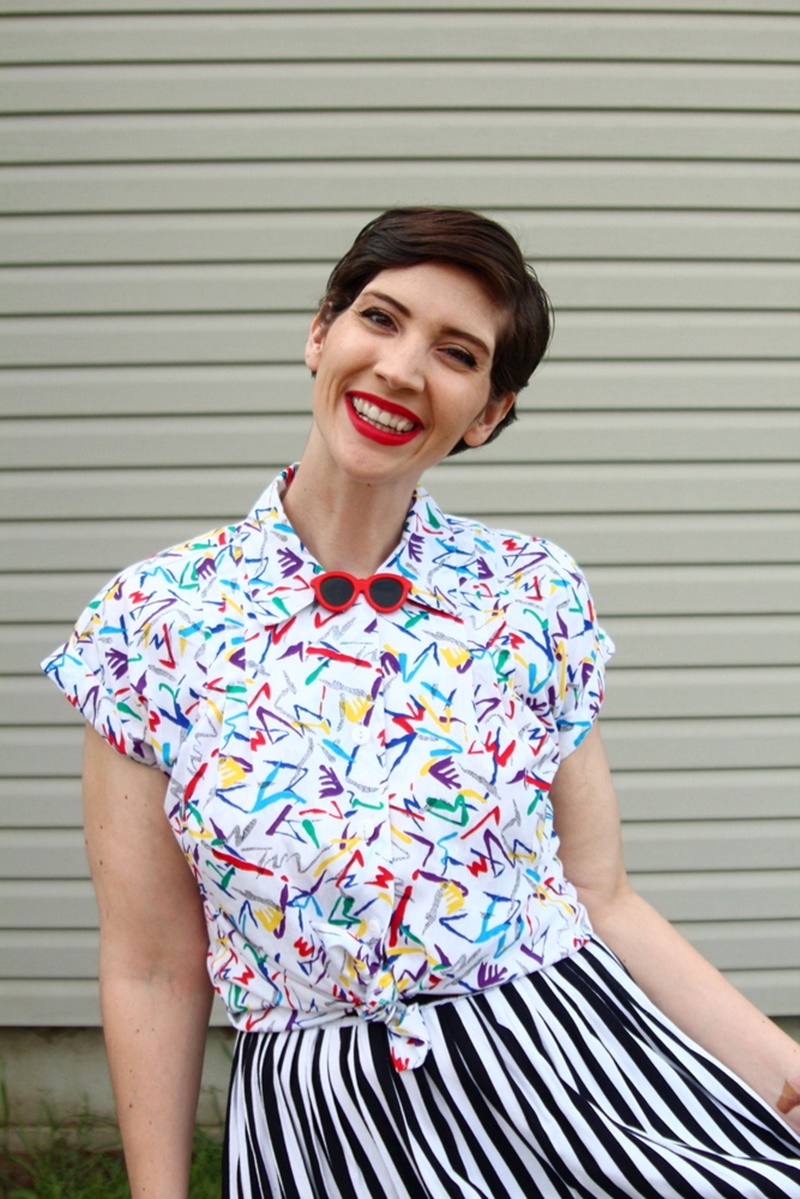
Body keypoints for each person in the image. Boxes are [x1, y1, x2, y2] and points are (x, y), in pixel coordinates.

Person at [43, 208, 800, 1199]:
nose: (400, 368)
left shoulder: (526, 591)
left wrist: (785, 1078)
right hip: (325, 1132)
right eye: (378, 318)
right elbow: (150, 965)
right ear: (320, 332)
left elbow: (601, 896)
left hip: (566, 1077)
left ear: (487, 411)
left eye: (455, 352)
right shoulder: (152, 622)